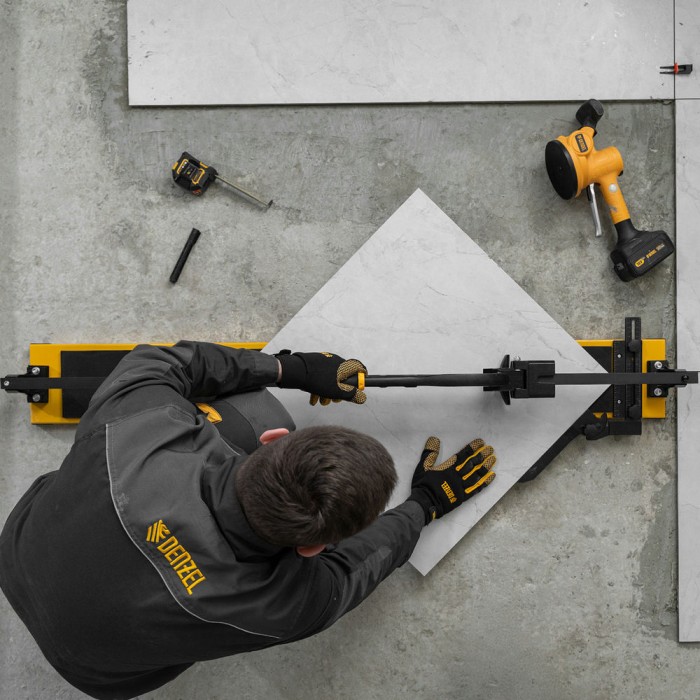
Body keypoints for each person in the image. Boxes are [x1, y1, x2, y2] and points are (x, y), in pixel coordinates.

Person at [0, 341, 496, 700]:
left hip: (15, 552)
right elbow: (355, 568)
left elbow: (169, 361)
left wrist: (288, 368)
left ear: (272, 441)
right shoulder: (284, 607)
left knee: (253, 405)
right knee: (255, 408)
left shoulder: (137, 418)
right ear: (311, 548)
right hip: (96, 674)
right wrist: (425, 504)